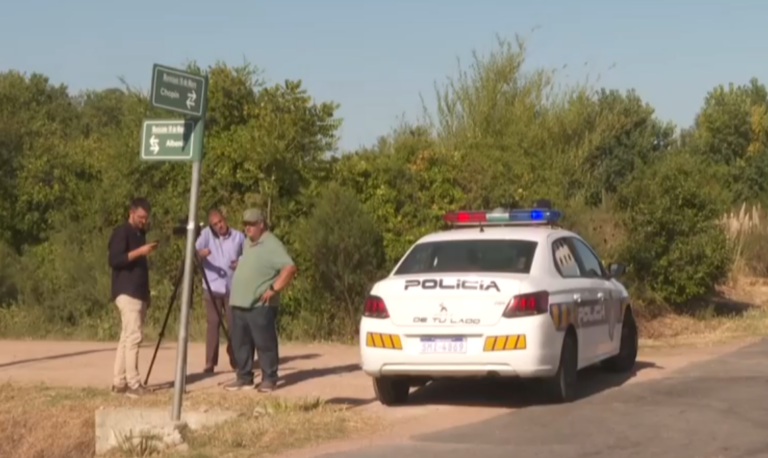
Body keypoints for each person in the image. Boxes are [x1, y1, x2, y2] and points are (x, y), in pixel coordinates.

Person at [225, 208, 297, 392]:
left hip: (259, 304)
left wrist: (273, 288)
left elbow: (289, 267)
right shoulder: (247, 242)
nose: (247, 228)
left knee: (265, 343)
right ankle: (244, 377)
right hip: (239, 302)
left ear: (261, 224)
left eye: (251, 224)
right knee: (240, 343)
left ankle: (269, 378)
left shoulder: (272, 244)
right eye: (245, 224)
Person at [108, 197, 157, 398]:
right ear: (131, 213)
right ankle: (133, 384)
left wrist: (146, 294)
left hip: (138, 292)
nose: (144, 221)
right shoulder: (122, 232)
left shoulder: (140, 234)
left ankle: (119, 382)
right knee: (134, 337)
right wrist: (139, 252)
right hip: (126, 291)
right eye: (140, 217)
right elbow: (115, 259)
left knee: (126, 337)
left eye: (146, 217)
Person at [195, 208, 245, 373]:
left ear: (225, 219)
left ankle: (235, 357)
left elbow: (247, 255)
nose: (219, 226)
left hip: (232, 286)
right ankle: (210, 362)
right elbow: (193, 252)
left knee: (233, 324)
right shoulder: (206, 235)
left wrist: (240, 263)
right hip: (212, 286)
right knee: (213, 323)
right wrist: (201, 253)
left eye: (220, 222)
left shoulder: (238, 236)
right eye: (215, 224)